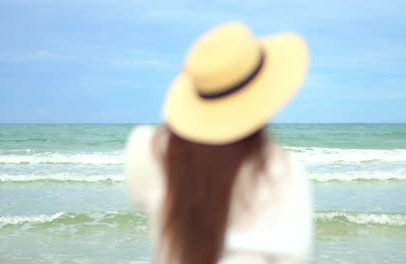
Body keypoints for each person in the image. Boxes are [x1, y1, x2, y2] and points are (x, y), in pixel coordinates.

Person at [125, 22, 313, 264]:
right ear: (266, 94)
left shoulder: (149, 150)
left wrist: (189, 103)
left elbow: (139, 195)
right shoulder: (281, 172)